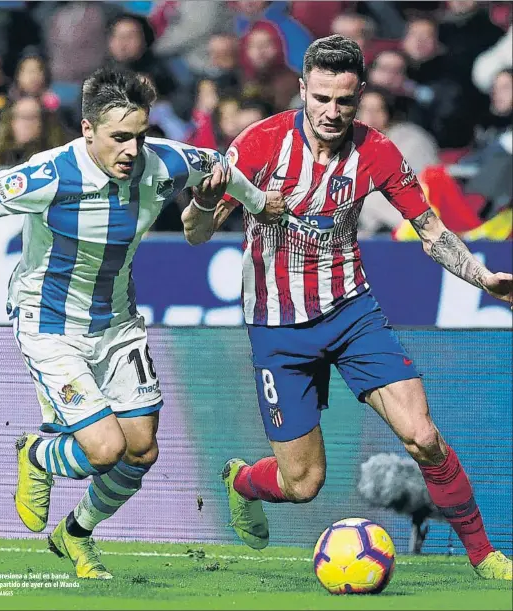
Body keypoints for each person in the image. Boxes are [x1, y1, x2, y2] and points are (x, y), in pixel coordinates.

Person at [182, 36, 513, 580]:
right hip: (277, 326)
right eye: (320, 99)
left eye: (343, 101)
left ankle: (484, 555)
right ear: (302, 91)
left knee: (424, 437)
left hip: (350, 313)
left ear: (358, 94)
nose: (332, 112)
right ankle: (242, 481)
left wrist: (482, 278)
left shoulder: (377, 151)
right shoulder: (259, 146)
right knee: (303, 484)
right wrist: (202, 198)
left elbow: (429, 231)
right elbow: (196, 235)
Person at [0, 67, 284, 580]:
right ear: (87, 130)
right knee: (105, 449)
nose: (132, 148)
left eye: (139, 134)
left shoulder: (165, 162)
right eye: (118, 137)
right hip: (49, 325)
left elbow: (221, 166)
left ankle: (75, 535)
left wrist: (262, 203)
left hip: (118, 325)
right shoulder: (50, 175)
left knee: (141, 449)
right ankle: (38, 454)